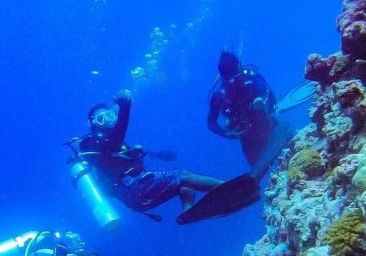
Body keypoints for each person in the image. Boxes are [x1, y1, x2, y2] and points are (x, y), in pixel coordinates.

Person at [77, 89, 223, 218]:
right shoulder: (92, 142)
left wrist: (132, 156)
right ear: (93, 125)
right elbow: (115, 142)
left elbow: (115, 159)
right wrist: (125, 108)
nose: (108, 121)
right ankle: (226, 188)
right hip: (135, 189)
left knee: (184, 186)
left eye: (110, 116)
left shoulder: (106, 146)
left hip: (136, 197)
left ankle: (188, 211)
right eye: (101, 119)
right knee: (185, 176)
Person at [207, 50, 278, 181]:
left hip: (268, 125)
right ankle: (267, 180)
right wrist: (226, 133)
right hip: (246, 135)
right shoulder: (219, 96)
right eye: (229, 80)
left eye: (235, 77)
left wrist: (260, 104)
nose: (233, 83)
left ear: (239, 68)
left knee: (258, 105)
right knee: (260, 169)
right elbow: (211, 123)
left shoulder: (252, 78)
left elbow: (266, 95)